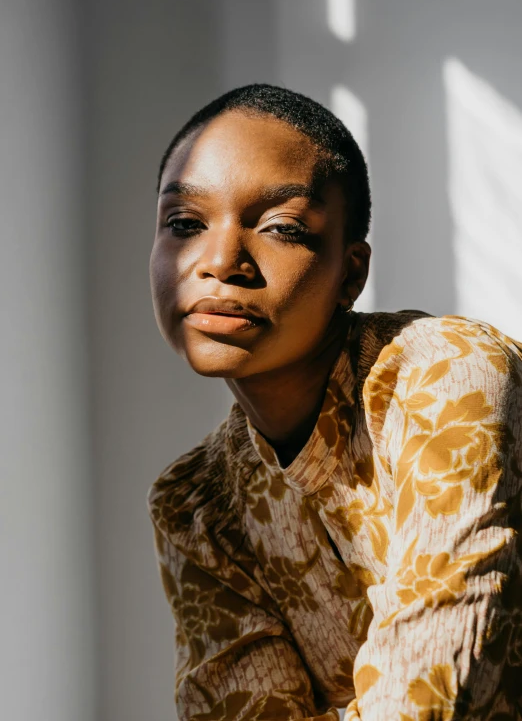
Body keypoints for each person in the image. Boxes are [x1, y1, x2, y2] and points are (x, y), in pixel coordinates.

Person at [147, 84, 522, 720]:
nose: (219, 261)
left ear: (351, 273)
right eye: (185, 224)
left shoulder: (448, 375)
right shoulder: (195, 502)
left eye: (281, 228)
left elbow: (432, 698)